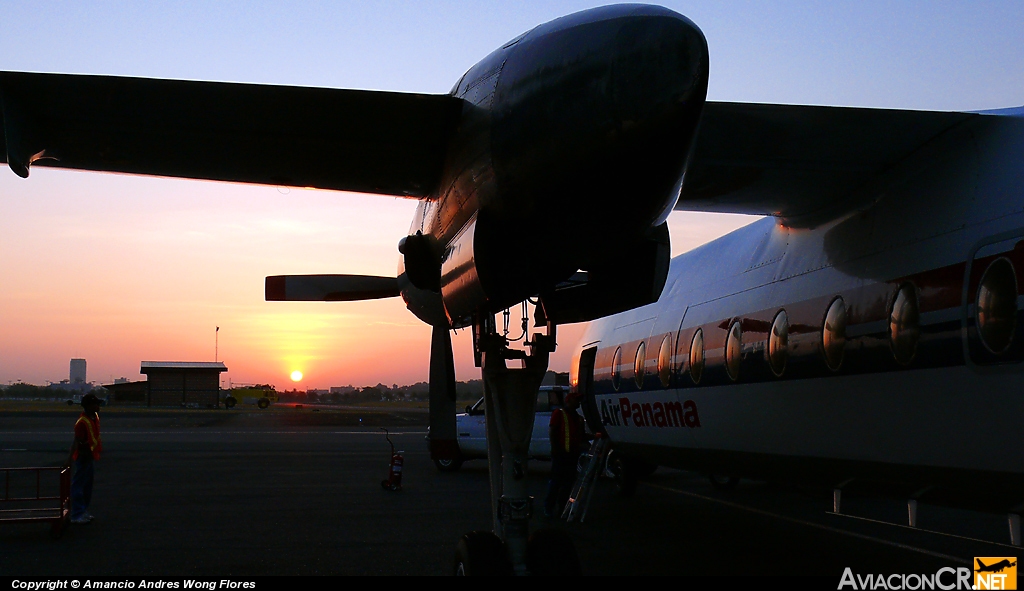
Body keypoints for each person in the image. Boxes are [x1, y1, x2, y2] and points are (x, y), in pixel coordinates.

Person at [545, 391, 586, 518]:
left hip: (572, 455)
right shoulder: (559, 413)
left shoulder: (579, 418)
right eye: (576, 400)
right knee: (556, 483)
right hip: (561, 454)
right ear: (568, 401)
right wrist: (555, 449)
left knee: (567, 484)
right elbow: (553, 431)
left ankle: (561, 509)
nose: (578, 403)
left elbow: (581, 436)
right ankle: (549, 508)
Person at [66, 393, 103, 524]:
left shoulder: (94, 417)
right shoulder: (82, 422)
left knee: (87, 486)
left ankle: (83, 510)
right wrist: (70, 459)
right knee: (78, 485)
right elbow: (76, 441)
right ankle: (76, 514)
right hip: (83, 456)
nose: (98, 406)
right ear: (88, 406)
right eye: (95, 404)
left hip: (90, 455)